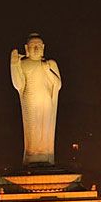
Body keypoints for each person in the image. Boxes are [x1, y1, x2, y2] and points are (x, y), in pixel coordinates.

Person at [10, 33, 62, 165]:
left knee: (45, 127)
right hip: (30, 98)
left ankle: (45, 155)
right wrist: (14, 65)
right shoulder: (23, 64)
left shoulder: (49, 64)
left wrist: (46, 70)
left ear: (43, 47)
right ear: (27, 48)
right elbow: (18, 84)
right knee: (32, 129)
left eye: (39, 46)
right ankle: (32, 155)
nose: (36, 49)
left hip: (46, 100)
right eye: (33, 46)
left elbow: (58, 84)